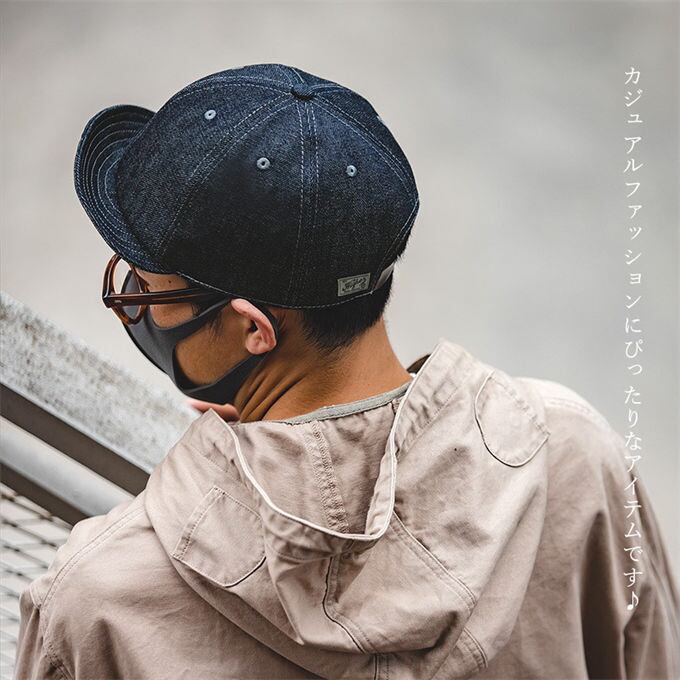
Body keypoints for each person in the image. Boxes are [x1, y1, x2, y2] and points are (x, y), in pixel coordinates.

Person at [14, 63, 680, 680]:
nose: (135, 299)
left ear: (253, 330)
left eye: (148, 289)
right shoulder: (573, 456)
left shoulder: (99, 603)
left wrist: (238, 468)